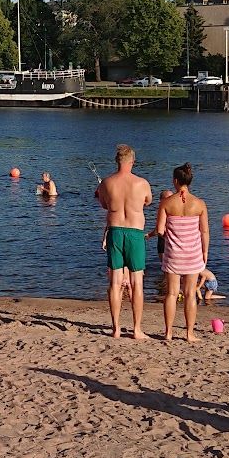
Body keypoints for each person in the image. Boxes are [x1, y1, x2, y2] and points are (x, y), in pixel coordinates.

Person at [94, 144, 153, 340]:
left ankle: (116, 328)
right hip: (135, 233)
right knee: (137, 283)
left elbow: (104, 204)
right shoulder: (142, 183)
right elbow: (148, 201)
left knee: (115, 282)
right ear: (132, 161)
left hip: (115, 232)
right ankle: (136, 329)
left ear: (116, 161)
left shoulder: (106, 183)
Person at [154, 163, 210, 342]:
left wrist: (171, 234)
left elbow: (160, 230)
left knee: (171, 293)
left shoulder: (166, 203)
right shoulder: (199, 204)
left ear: (175, 181)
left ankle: (168, 332)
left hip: (173, 254)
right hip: (193, 254)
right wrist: (205, 251)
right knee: (190, 294)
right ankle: (189, 334)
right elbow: (204, 231)